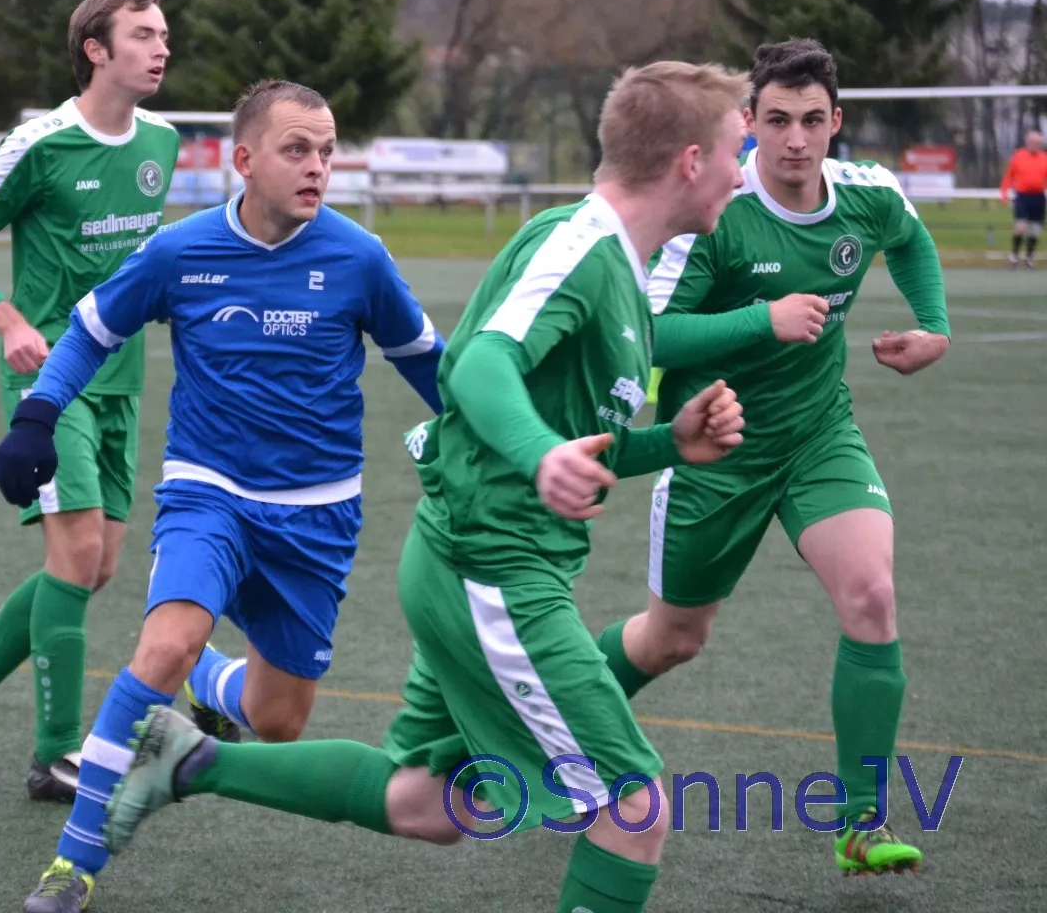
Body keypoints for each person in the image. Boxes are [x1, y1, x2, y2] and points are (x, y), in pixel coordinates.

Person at [100, 61, 751, 913]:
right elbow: (478, 367)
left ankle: (191, 760)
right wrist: (537, 456)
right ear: (691, 161)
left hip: (482, 564)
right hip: (494, 573)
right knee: (636, 808)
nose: (744, 175)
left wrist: (671, 444)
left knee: (432, 804)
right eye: (738, 152)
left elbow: (575, 436)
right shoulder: (581, 250)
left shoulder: (623, 264)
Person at [0, 78, 445, 913]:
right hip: (210, 493)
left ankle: (211, 682)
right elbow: (90, 330)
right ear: (244, 160)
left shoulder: (359, 257)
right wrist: (37, 416)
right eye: (297, 149)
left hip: (320, 513)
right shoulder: (181, 251)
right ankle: (73, 862)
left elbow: (428, 363)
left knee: (278, 720)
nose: (317, 167)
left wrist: (504, 442)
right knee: (161, 648)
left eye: (327, 151)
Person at [595, 39, 951, 877]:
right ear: (749, 121)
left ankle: (860, 827)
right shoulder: (715, 214)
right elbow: (649, 332)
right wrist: (765, 318)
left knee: (872, 596)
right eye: (778, 120)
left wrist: (933, 326)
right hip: (715, 448)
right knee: (672, 639)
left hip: (820, 436)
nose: (796, 139)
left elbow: (910, 241)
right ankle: (547, 725)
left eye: (813, 121)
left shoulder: (868, 194)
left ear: (837, 123)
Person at [0, 0, 181, 800]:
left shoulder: (162, 141)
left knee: (96, 569)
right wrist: (8, 321)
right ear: (96, 49)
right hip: (50, 380)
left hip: (123, 377)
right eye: (143, 35)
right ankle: (57, 755)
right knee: (77, 555)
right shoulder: (40, 142)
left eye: (164, 35)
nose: (161, 48)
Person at [1000, 129, 1047, 268]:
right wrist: (1004, 193)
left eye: (1037, 142)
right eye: (1032, 142)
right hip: (1022, 196)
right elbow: (1009, 176)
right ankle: (1014, 256)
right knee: (1020, 226)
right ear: (1027, 142)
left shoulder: (1044, 158)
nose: (1034, 144)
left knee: (1035, 229)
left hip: (1038, 197)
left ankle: (1029, 258)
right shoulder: (1018, 156)